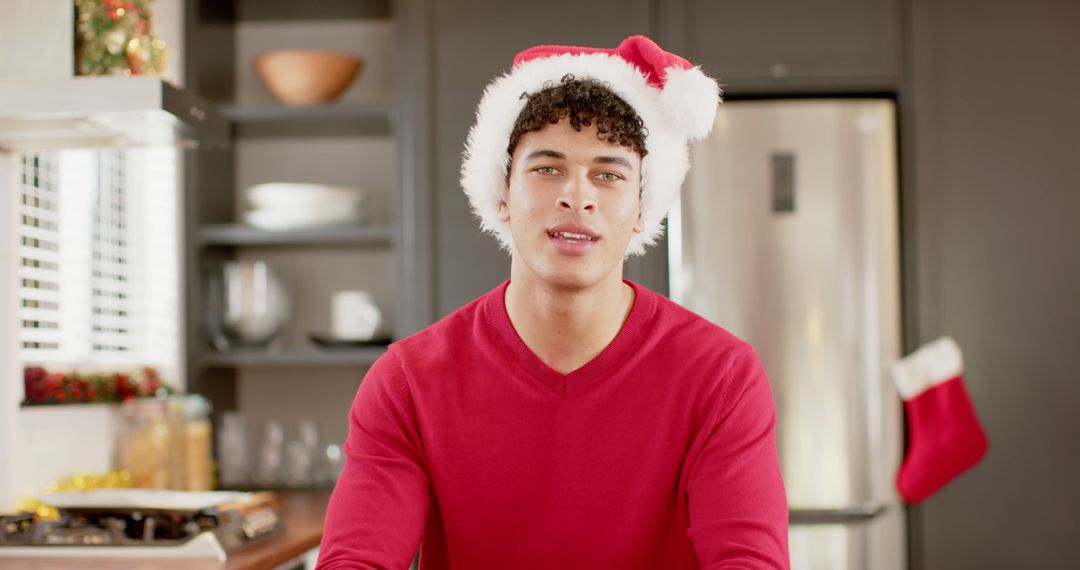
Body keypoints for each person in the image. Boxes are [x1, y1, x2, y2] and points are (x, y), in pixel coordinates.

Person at [316, 35, 789, 569]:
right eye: (547, 168)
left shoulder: (721, 376)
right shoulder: (407, 381)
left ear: (641, 208)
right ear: (502, 191)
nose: (577, 196)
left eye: (609, 175)